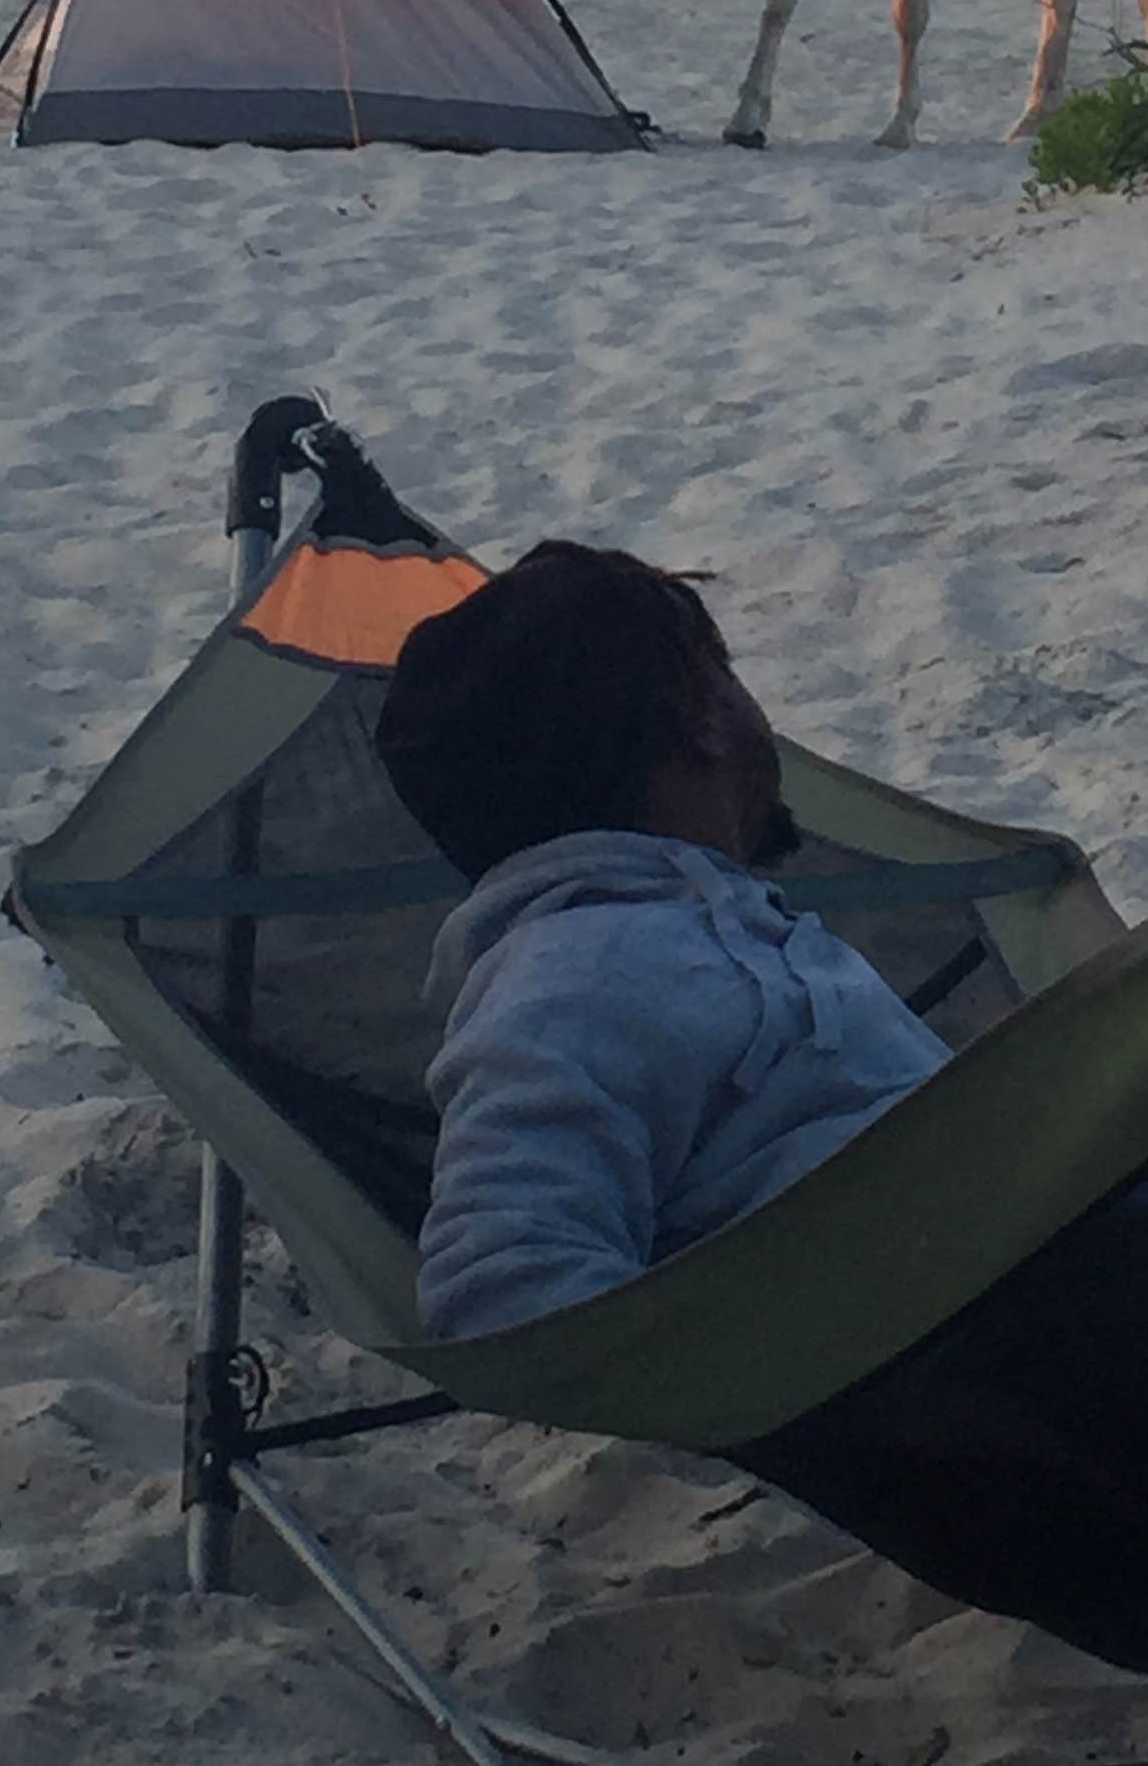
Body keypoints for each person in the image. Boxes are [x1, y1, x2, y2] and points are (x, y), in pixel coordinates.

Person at [377, 545, 948, 1340]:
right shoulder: (567, 979)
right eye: (729, 671)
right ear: (699, 713)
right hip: (943, 1342)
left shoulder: (718, 934)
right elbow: (497, 1276)